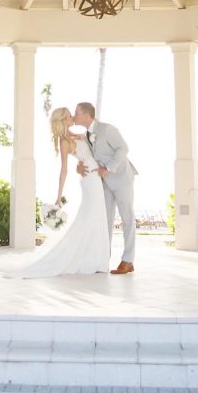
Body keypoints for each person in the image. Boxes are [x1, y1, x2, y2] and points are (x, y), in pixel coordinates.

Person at [0, 107, 110, 278]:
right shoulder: (64, 142)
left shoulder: (77, 135)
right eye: (69, 115)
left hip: (94, 179)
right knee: (91, 217)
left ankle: (96, 260)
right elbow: (63, 170)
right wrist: (58, 196)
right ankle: (90, 260)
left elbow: (94, 139)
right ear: (63, 120)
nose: (72, 116)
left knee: (96, 217)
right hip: (90, 181)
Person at [74, 101, 137, 274]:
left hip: (122, 178)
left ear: (87, 115)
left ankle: (128, 260)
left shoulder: (107, 129)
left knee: (127, 218)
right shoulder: (86, 135)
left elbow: (123, 149)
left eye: (77, 113)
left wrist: (107, 168)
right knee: (105, 221)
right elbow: (87, 157)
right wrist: (79, 167)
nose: (74, 116)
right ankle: (103, 259)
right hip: (105, 183)